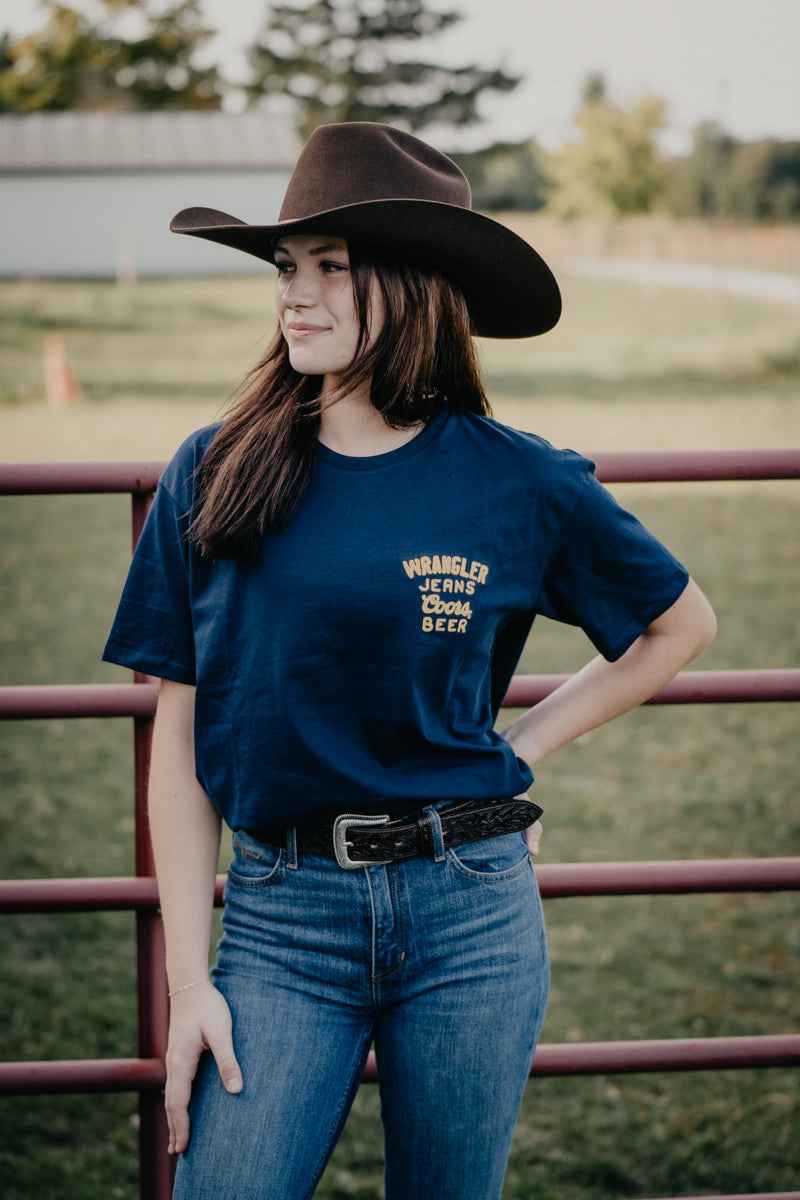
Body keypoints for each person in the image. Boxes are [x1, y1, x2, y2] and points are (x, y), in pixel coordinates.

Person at [103, 122, 716, 1200]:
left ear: (416, 286)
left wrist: (520, 747)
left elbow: (679, 624)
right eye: (286, 267)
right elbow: (180, 737)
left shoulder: (520, 481)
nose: (296, 296)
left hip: (470, 913)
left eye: (331, 267)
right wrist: (189, 982)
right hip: (283, 920)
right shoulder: (214, 470)